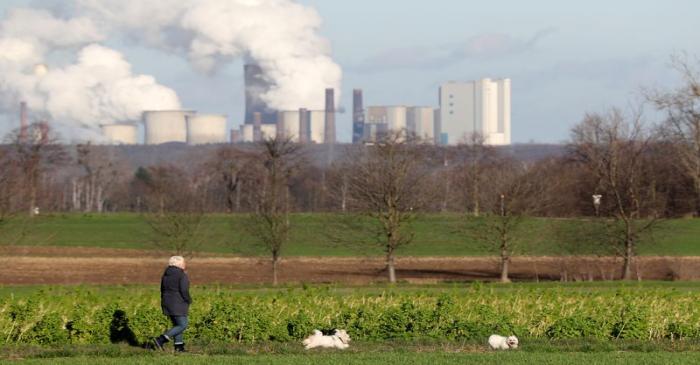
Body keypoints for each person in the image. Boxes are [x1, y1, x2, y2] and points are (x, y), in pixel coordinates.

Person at [153, 256, 192, 352]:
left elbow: (162, 289)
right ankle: (160, 339)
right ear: (179, 264)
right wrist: (188, 300)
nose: (185, 264)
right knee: (183, 325)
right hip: (178, 303)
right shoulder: (182, 275)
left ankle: (179, 347)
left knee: (177, 325)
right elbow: (184, 290)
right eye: (183, 262)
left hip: (167, 303)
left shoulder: (165, 275)